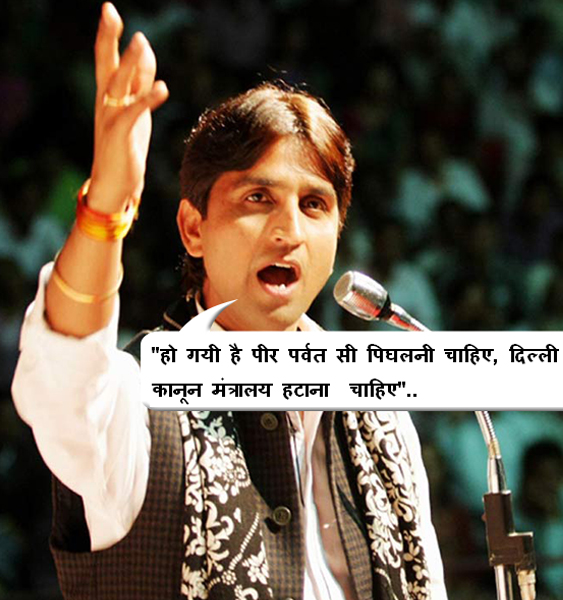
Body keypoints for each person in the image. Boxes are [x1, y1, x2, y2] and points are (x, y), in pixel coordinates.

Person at [11, 4, 447, 600]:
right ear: (194, 229)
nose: (288, 231)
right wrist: (106, 209)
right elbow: (63, 375)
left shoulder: (379, 413)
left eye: (314, 205)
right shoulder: (137, 397)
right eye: (257, 198)